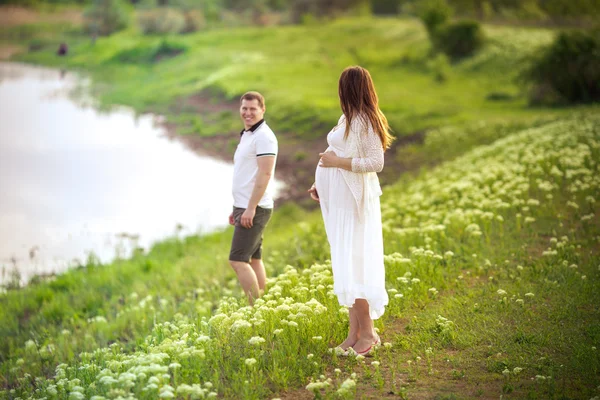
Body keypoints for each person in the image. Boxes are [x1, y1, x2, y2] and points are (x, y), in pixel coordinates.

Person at [308, 66, 393, 356]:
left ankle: (368, 334)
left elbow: (375, 162)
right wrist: (320, 183)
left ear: (349, 89)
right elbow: (335, 155)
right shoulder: (348, 118)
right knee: (346, 263)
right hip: (338, 204)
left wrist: (336, 166)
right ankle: (353, 333)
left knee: (355, 264)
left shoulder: (366, 120)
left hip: (354, 208)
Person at [229, 91, 278, 305]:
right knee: (255, 258)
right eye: (244, 109)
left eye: (252, 109)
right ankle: (263, 304)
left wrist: (250, 208)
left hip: (254, 208)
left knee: (238, 260)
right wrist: (237, 208)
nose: (248, 113)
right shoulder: (248, 134)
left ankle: (255, 309)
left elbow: (265, 174)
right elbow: (245, 173)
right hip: (245, 206)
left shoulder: (264, 137)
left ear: (262, 110)